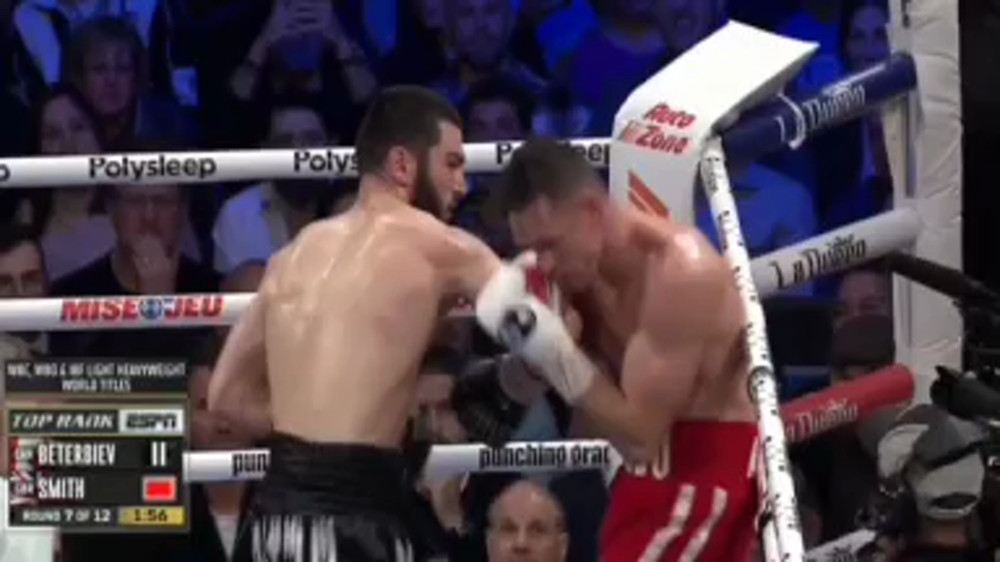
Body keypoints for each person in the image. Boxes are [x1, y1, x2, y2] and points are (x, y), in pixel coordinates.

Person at [207, 86, 549, 561]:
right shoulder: (443, 246)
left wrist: (316, 428)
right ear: (403, 164)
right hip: (358, 515)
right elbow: (544, 339)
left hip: (272, 518)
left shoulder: (292, 256)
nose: (463, 184)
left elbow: (225, 397)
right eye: (452, 164)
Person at [482, 138, 761, 562]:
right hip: (642, 477)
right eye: (532, 249)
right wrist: (522, 353)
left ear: (592, 212)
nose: (545, 263)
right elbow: (527, 391)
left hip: (707, 468)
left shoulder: (679, 274)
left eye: (550, 245)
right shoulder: (572, 275)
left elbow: (641, 437)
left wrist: (558, 356)